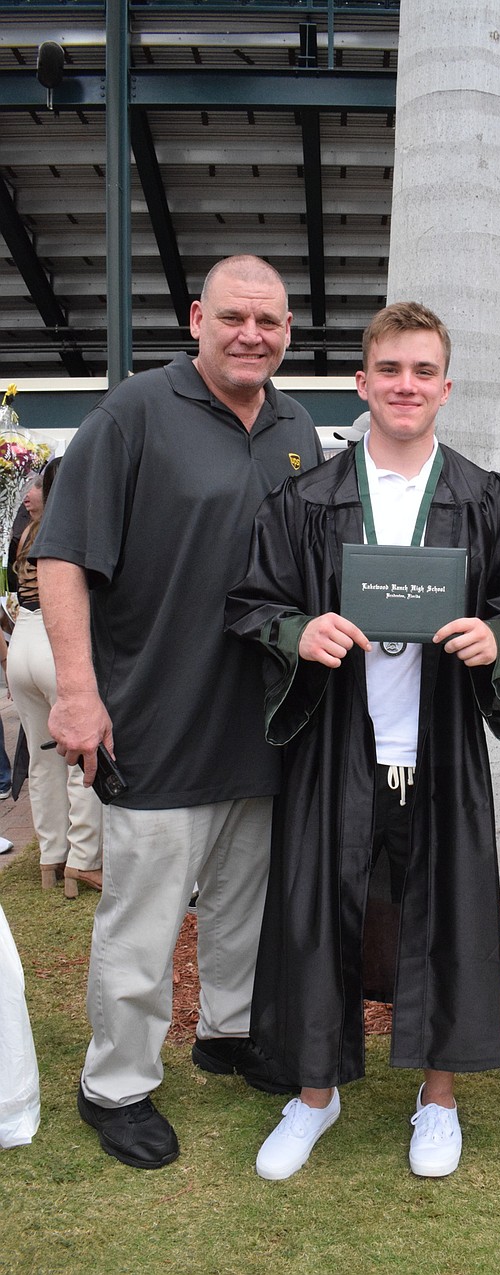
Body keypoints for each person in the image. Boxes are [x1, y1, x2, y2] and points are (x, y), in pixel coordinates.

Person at [225, 301, 500, 1181]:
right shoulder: (308, 499)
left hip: (439, 747)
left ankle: (438, 1100)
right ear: (362, 382)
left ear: (446, 387)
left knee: (447, 913)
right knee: (316, 916)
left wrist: (496, 637)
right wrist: (300, 631)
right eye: (391, 370)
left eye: (423, 371)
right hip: (336, 742)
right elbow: (252, 601)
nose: (407, 385)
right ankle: (314, 1095)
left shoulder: (484, 498)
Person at [32, 254, 325, 1170]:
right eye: (234, 316)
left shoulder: (297, 426)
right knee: (145, 918)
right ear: (198, 318)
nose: (252, 335)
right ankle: (115, 1083)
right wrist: (77, 692)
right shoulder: (134, 412)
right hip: (156, 719)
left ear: (287, 332)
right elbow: (63, 555)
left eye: (269, 321)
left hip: (267, 723)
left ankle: (228, 1033)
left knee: (245, 904)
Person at [5, 460, 102, 897]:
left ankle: (51, 856)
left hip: (22, 644)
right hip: (55, 641)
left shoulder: (29, 534)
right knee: (81, 757)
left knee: (41, 762)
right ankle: (83, 859)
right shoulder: (74, 528)